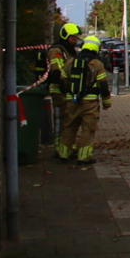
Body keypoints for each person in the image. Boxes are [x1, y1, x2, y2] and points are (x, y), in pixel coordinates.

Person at [57, 35, 111, 165]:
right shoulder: (96, 64)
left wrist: (66, 97)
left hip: (72, 102)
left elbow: (62, 83)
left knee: (69, 127)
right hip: (90, 104)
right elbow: (103, 85)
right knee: (88, 129)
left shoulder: (70, 62)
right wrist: (106, 102)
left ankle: (64, 154)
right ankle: (84, 157)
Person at [47, 22, 81, 147]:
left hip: (68, 89)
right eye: (73, 37)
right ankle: (59, 145)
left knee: (69, 119)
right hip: (59, 89)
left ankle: (66, 144)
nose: (75, 39)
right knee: (60, 119)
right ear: (66, 36)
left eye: (76, 37)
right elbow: (57, 70)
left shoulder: (69, 50)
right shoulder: (57, 49)